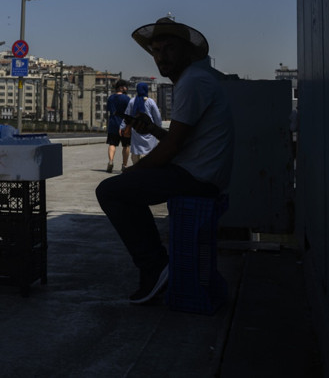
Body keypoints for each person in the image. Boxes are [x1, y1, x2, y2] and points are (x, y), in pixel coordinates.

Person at [95, 17, 234, 305]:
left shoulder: (193, 82)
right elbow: (182, 140)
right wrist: (154, 130)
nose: (161, 57)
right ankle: (158, 266)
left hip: (197, 177)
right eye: (156, 51)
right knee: (125, 188)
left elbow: (172, 148)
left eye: (169, 49)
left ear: (186, 50)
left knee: (111, 191)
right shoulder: (194, 80)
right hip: (197, 172)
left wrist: (133, 172)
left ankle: (155, 266)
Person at [120, 82, 162, 163]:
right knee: (150, 151)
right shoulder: (150, 102)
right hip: (150, 130)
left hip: (136, 130)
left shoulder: (132, 101)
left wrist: (122, 127)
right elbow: (157, 117)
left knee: (136, 151)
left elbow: (127, 115)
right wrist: (158, 128)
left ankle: (137, 166)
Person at [105, 79, 131, 173]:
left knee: (112, 144)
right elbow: (129, 112)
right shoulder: (127, 99)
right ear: (121, 87)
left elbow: (109, 110)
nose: (126, 88)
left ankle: (111, 162)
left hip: (113, 124)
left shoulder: (111, 98)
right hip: (124, 125)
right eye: (125, 86)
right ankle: (124, 165)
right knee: (126, 145)